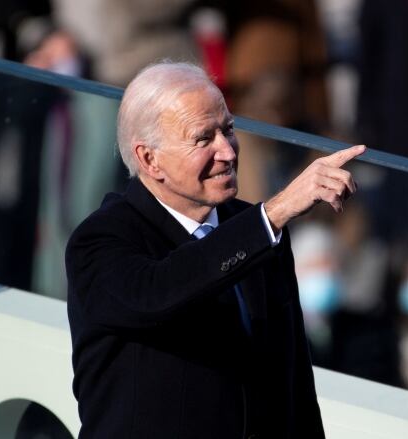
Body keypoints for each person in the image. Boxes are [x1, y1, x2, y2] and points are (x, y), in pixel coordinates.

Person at [65, 61, 365, 438]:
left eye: (228, 129)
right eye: (203, 139)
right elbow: (160, 292)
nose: (226, 151)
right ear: (149, 159)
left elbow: (293, 382)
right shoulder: (101, 240)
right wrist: (274, 212)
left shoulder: (256, 229)